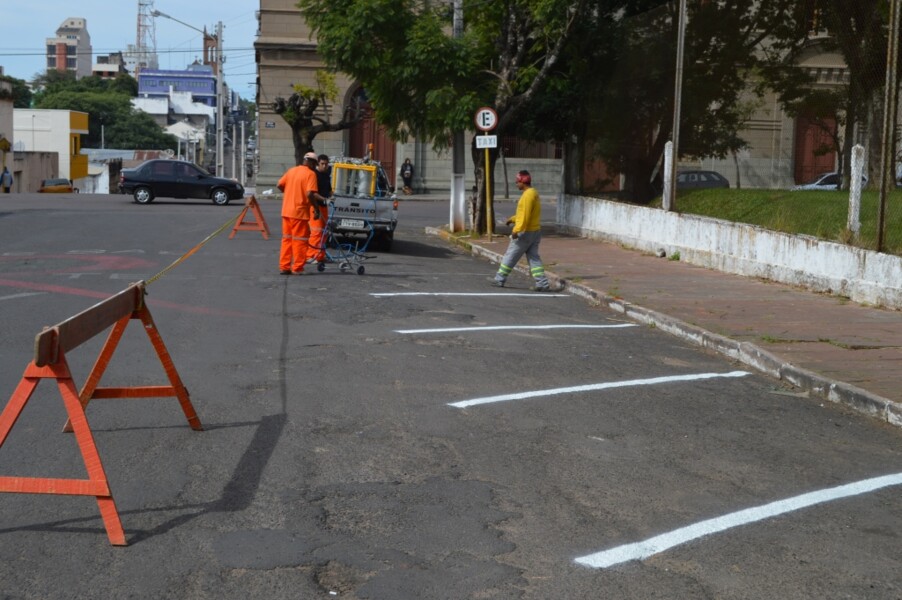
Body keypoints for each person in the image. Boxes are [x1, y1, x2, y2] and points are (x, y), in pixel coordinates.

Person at [490, 170, 556, 292]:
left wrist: (516, 230)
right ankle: (542, 283)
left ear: (523, 182)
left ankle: (499, 279)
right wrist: (512, 219)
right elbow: (526, 214)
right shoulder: (534, 193)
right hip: (535, 232)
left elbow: (525, 216)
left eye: (517, 181)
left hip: (525, 232)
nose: (516, 184)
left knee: (511, 255)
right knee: (533, 257)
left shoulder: (527, 196)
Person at [277, 151, 327, 275]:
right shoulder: (311, 174)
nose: (315, 166)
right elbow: (310, 193)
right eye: (315, 164)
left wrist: (289, 192)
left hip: (286, 211)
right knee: (300, 240)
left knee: (287, 240)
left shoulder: (291, 171)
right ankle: (297, 268)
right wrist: (316, 208)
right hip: (299, 212)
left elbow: (279, 185)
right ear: (312, 163)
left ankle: (284, 266)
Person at [307, 154, 333, 264]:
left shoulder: (326, 175)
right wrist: (325, 199)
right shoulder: (314, 175)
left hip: (324, 206)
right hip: (315, 206)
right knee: (316, 232)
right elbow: (313, 193)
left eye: (326, 164)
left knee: (324, 232)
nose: (324, 166)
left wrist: (332, 197)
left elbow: (329, 190)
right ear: (318, 163)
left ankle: (320, 256)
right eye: (322, 164)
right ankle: (310, 255)